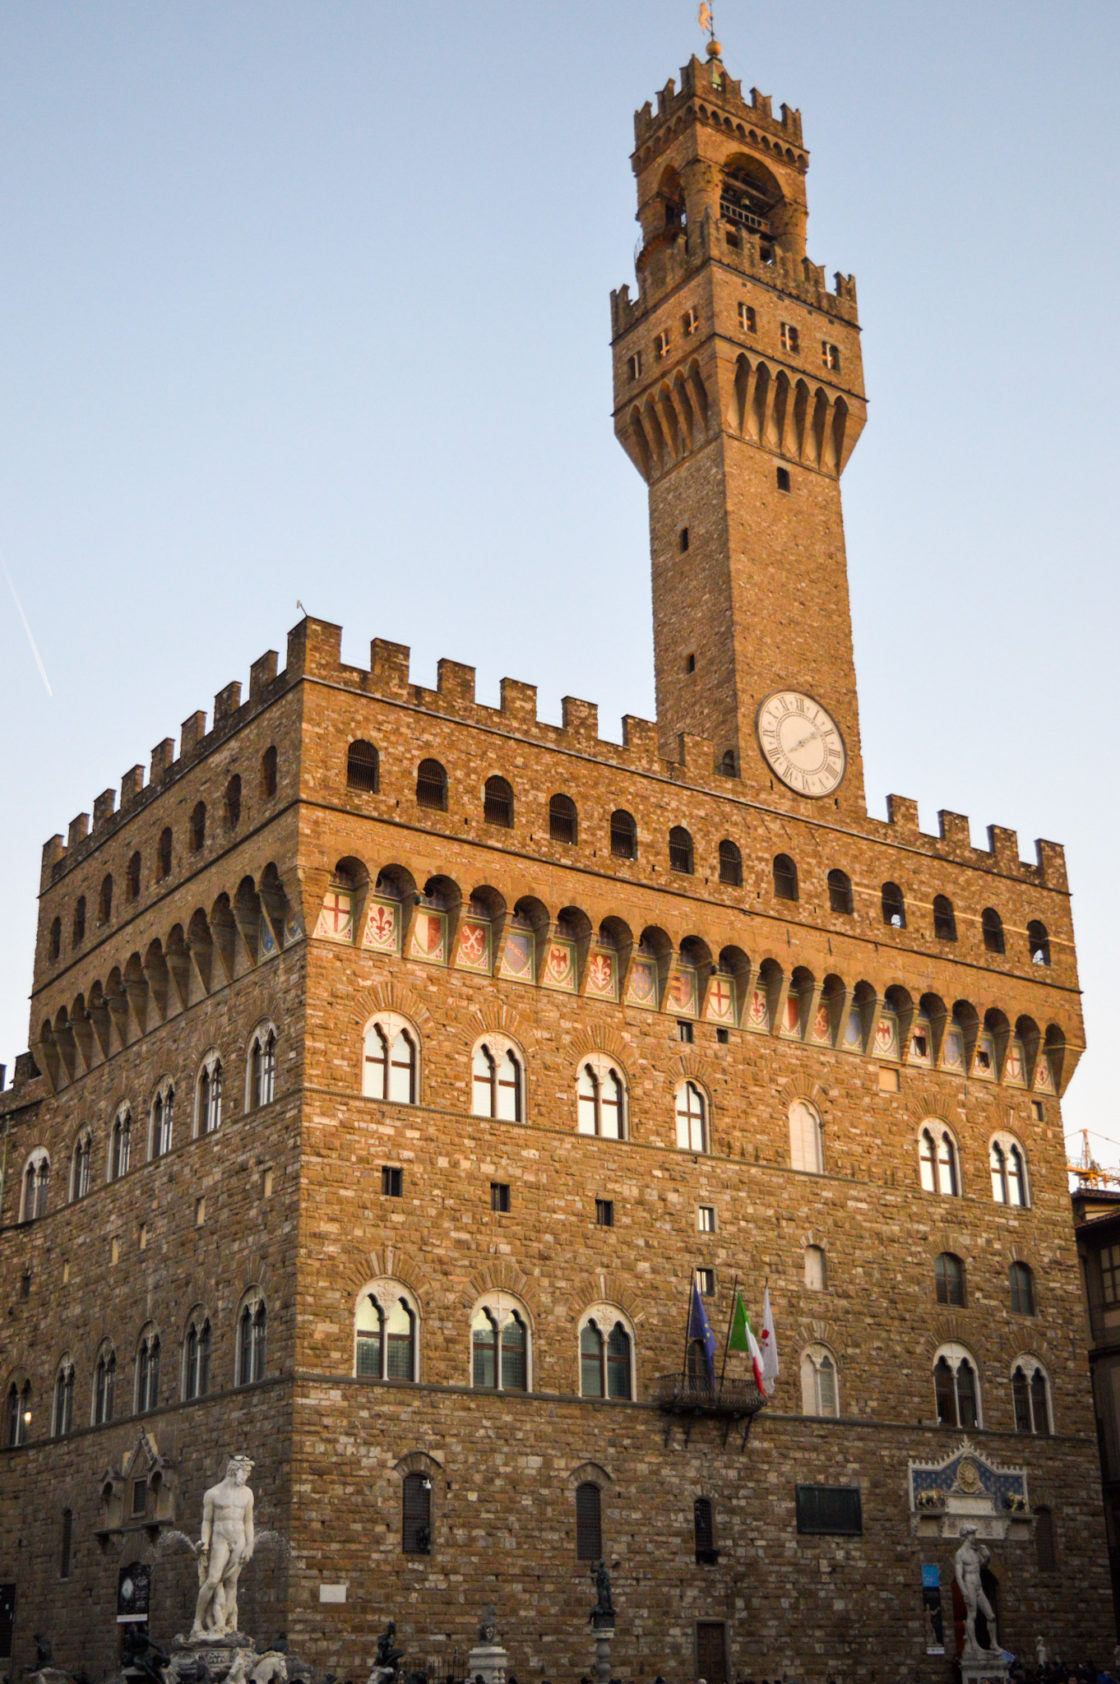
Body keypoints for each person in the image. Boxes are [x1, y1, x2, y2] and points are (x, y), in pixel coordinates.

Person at [190, 1455, 256, 1639]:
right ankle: (197, 1622)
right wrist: (204, 1541)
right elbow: (207, 1521)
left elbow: (249, 1522)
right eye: (247, 1473)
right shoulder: (213, 1493)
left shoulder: (247, 1493)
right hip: (220, 1539)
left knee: (232, 1582)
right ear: (237, 1471)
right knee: (212, 1580)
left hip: (239, 1539)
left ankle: (225, 1625)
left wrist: (250, 1545)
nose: (247, 1477)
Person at [954, 1525, 998, 1656]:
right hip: (969, 1585)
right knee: (972, 1615)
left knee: (991, 1616)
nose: (975, 1537)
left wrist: (987, 1556)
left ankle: (993, 1643)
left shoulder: (975, 1551)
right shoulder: (960, 1554)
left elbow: (983, 1566)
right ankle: (974, 1645)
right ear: (967, 1536)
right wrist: (964, 1592)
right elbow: (958, 1576)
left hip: (979, 1586)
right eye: (973, 1534)